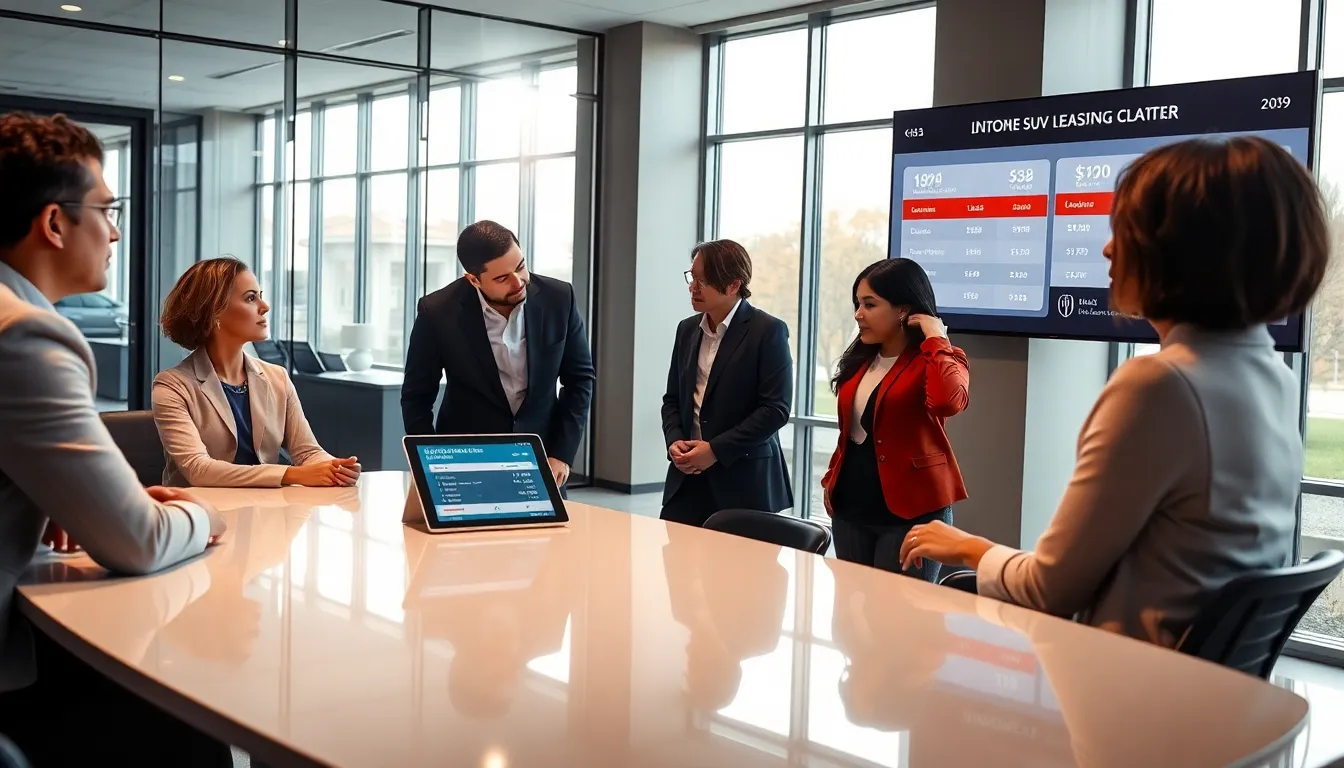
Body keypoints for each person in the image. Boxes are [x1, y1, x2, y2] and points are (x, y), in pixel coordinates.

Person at [899, 136, 1329, 648]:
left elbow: (1048, 590)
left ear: (1186, 251)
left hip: (1124, 695)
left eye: (1125, 229)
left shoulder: (1160, 385)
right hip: (1207, 704)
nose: (1107, 247)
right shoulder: (1273, 378)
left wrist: (967, 546)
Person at [0, 111, 230, 764]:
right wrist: (199, 511)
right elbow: (140, 540)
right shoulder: (25, 335)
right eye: (105, 210)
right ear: (53, 223)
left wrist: (54, 498)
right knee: (186, 723)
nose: (117, 231)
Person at [402, 220, 595, 489]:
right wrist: (430, 462)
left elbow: (580, 379)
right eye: (502, 278)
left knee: (546, 532)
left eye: (520, 266)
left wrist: (562, 453)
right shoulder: (436, 312)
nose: (519, 282)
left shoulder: (559, 298)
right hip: (466, 462)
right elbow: (416, 395)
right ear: (473, 279)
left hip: (542, 459)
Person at [820, 258, 969, 581]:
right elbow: (851, 433)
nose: (859, 314)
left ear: (903, 309)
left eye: (869, 304)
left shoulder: (938, 358)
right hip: (851, 509)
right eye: (858, 304)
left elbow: (948, 401)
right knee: (849, 614)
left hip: (912, 513)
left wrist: (935, 336)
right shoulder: (860, 360)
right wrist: (831, 479)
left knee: (900, 620)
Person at [153, 257, 361, 488]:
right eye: (251, 298)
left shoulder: (277, 377)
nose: (265, 306)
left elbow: (307, 453)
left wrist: (335, 467)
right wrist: (291, 474)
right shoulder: (172, 386)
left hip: (268, 511)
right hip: (200, 515)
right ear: (214, 313)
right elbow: (198, 469)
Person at [660, 240, 793, 525]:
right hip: (686, 481)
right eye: (691, 277)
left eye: (702, 281)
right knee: (675, 566)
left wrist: (715, 450)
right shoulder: (687, 330)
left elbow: (775, 410)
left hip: (744, 481)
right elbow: (672, 399)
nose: (692, 288)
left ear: (733, 285)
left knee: (742, 570)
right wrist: (674, 441)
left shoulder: (767, 331)